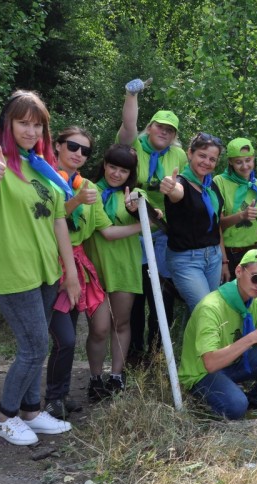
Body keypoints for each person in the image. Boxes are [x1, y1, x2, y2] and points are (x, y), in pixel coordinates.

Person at [0, 90, 78, 445]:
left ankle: (31, 410)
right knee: (33, 347)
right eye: (23, 123)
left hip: (46, 269)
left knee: (37, 343)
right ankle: (5, 416)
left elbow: (59, 220)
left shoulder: (42, 166)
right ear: (7, 123)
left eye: (37, 125)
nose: (31, 131)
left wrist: (71, 273)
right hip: (12, 268)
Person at [44, 128, 147, 419]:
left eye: (84, 150)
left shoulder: (117, 191)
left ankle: (110, 378)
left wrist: (146, 220)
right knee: (93, 329)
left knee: (115, 324)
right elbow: (62, 220)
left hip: (108, 269)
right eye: (112, 166)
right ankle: (86, 381)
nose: (117, 173)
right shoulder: (77, 186)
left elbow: (115, 226)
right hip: (77, 268)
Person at [178, 250, 257, 419]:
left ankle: (254, 402)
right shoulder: (211, 307)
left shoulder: (252, 302)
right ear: (239, 271)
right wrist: (253, 338)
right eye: (256, 278)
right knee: (236, 406)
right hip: (202, 373)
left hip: (234, 363)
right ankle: (208, 400)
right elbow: (210, 363)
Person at [118, 78, 187, 366]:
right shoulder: (135, 145)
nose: (164, 132)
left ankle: (158, 355)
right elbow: (127, 128)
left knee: (162, 295)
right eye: (160, 126)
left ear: (174, 136)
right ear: (150, 127)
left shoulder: (179, 155)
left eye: (170, 130)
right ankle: (133, 353)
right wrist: (131, 95)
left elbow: (183, 192)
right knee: (135, 294)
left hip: (162, 233)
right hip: (133, 229)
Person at [83, 144, 156, 399]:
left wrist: (139, 211)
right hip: (94, 267)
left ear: (130, 174)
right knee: (99, 328)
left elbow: (156, 217)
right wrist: (141, 226)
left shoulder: (134, 193)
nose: (116, 173)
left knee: (121, 323)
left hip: (124, 267)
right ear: (104, 165)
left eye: (123, 170)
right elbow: (105, 232)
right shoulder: (89, 191)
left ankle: (116, 376)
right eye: (112, 167)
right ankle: (94, 378)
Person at [160, 132, 230, 313]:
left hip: (213, 257)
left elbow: (216, 225)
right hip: (186, 260)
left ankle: (193, 342)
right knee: (206, 311)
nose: (207, 162)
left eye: (212, 159)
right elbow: (176, 192)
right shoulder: (181, 183)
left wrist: (223, 260)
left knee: (203, 313)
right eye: (202, 156)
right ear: (190, 153)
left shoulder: (210, 186)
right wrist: (170, 187)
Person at [216, 137, 257, 279]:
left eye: (248, 160)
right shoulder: (220, 182)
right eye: (239, 162)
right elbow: (217, 225)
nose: (245, 166)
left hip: (252, 254)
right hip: (228, 253)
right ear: (230, 162)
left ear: (253, 159)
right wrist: (224, 263)